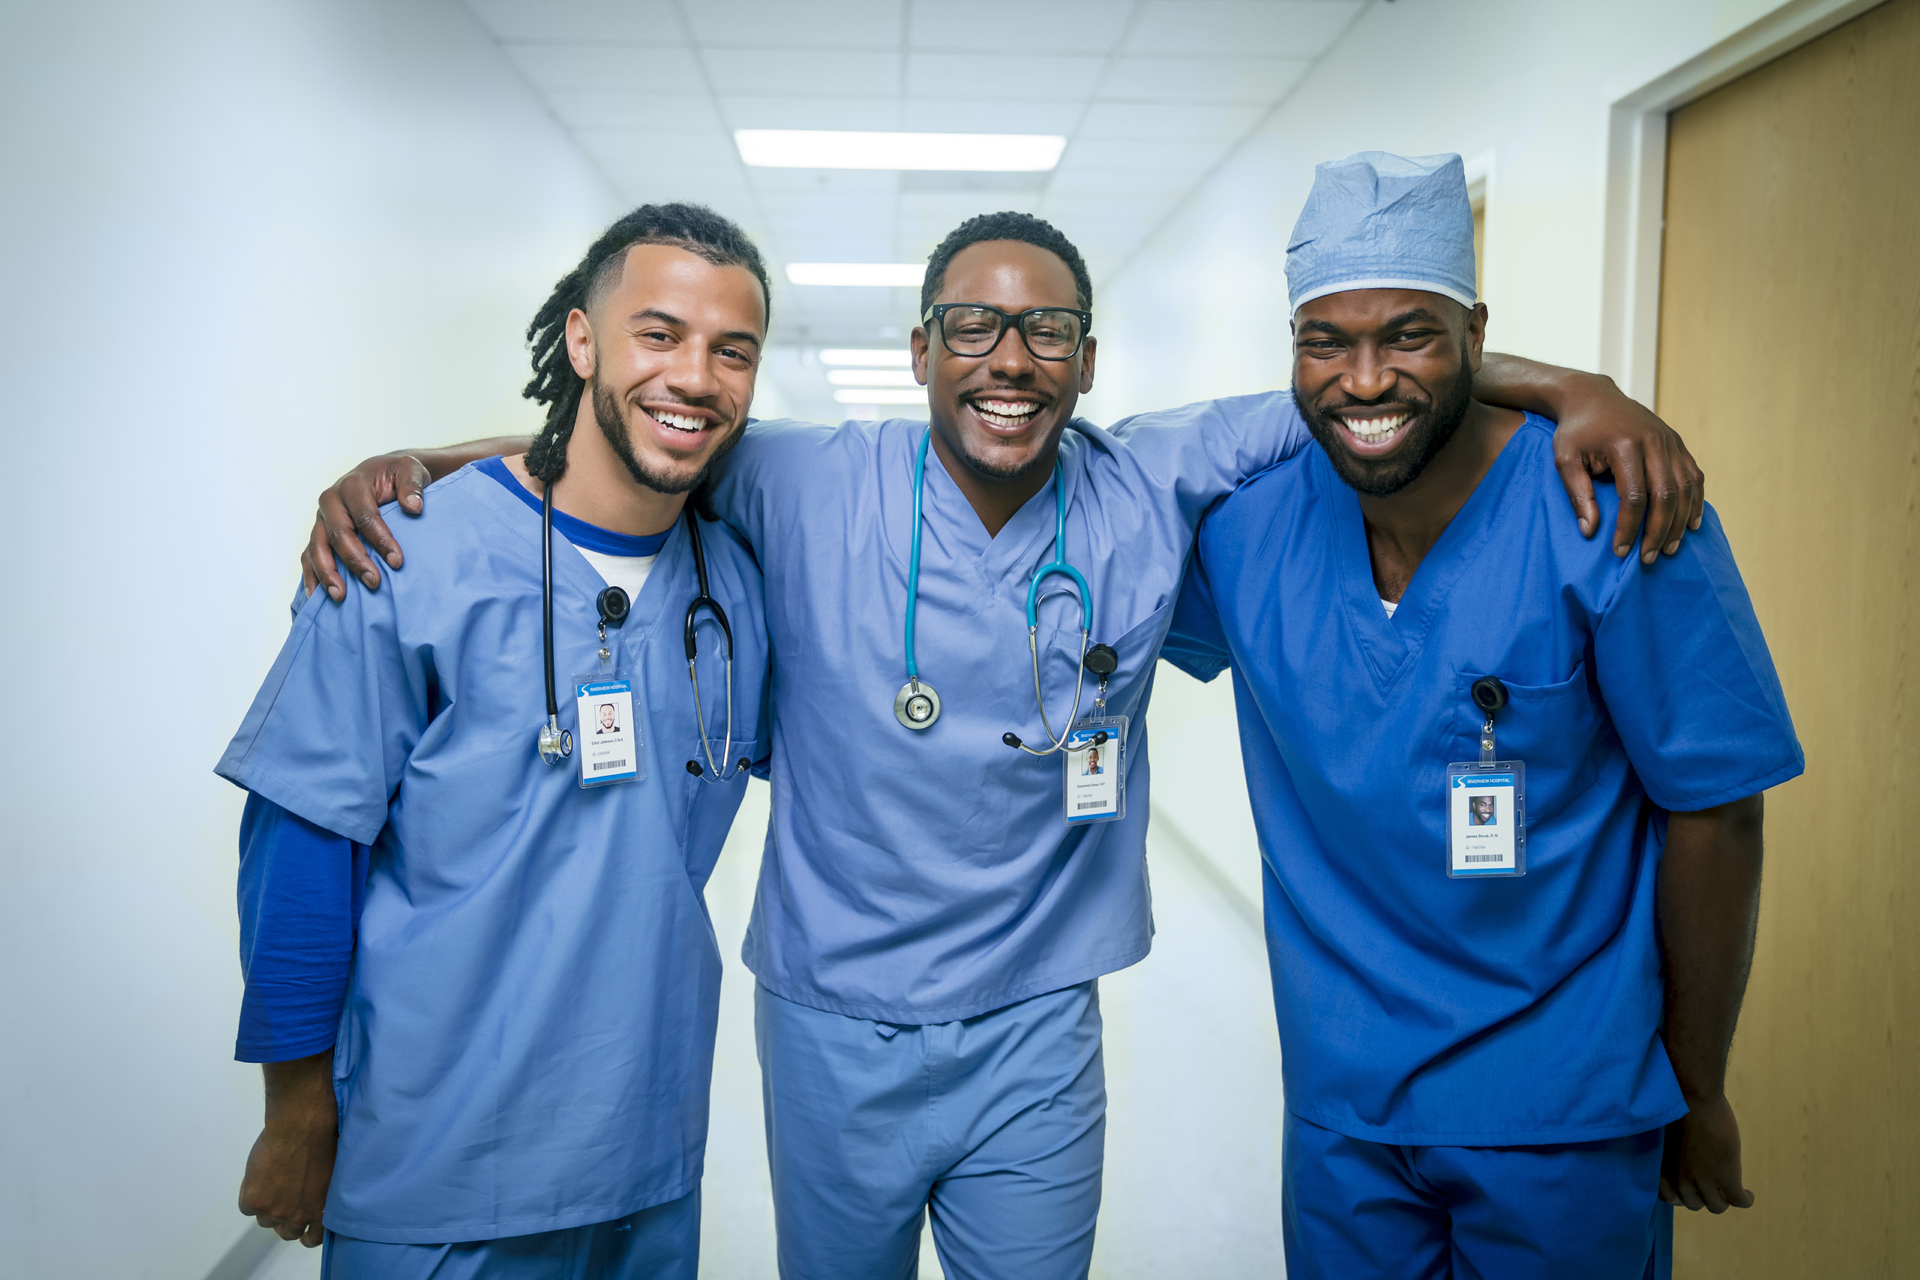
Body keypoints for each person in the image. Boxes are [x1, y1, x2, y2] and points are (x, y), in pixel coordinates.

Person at [300, 209, 1704, 1279]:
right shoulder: (804, 480)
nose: (1009, 362)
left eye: (1047, 334)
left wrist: (1576, 386)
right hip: (833, 1023)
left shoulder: (1155, 474)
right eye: (970, 326)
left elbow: (1369, 384)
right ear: (919, 351)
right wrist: (426, 467)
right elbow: (629, 445)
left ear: (1090, 360)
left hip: (1039, 1026)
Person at [1163, 152, 1803, 1279]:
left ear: (1475, 333)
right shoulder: (1246, 530)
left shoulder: (1619, 511)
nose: (1364, 380)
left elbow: (1718, 812)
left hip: (1567, 1105)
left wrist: (1698, 1085)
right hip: (1343, 1106)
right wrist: (1559, 377)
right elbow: (1078, 480)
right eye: (1326, 339)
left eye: (1410, 333)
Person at [218, 204, 773, 1277]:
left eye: (731, 350)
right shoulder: (405, 554)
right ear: (581, 340)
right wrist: (295, 1112)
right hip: (437, 1163)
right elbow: (299, 845)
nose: (696, 374)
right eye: (658, 333)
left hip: (646, 1158)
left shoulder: (737, 583)